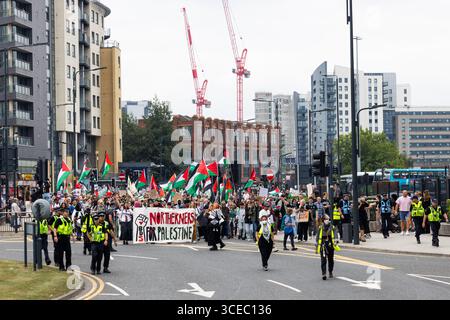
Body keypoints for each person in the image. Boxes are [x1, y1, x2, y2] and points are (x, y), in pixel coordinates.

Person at [316, 215, 340, 280]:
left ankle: (330, 272)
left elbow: (335, 234)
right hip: (323, 245)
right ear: (323, 220)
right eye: (326, 219)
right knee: (323, 260)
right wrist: (317, 244)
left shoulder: (332, 227)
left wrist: (336, 240)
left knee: (330, 259)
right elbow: (317, 237)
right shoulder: (320, 227)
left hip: (330, 245)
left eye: (329, 219)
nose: (328, 220)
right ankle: (323, 274)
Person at [53, 207, 74, 271]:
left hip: (67, 238)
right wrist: (55, 236)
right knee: (61, 253)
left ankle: (68, 265)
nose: (67, 213)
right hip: (61, 237)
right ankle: (61, 266)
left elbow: (70, 229)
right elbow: (55, 228)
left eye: (67, 212)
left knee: (68, 252)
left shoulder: (69, 220)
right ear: (63, 213)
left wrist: (72, 235)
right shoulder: (59, 219)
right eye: (65, 212)